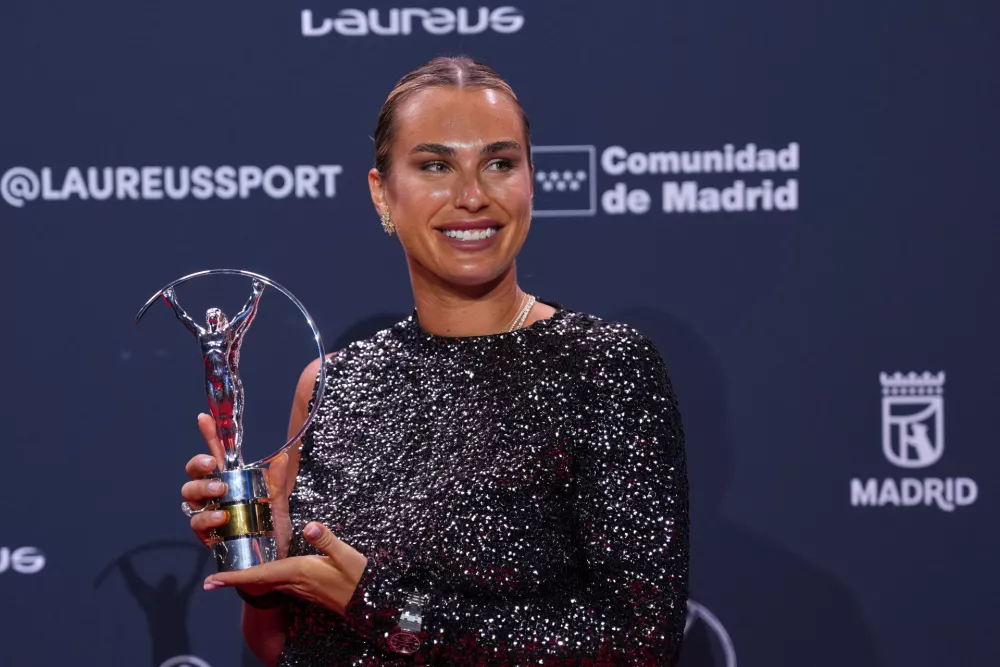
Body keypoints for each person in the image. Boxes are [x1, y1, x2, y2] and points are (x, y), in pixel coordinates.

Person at [180, 56, 689, 666]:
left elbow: (639, 647)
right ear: (382, 193)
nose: (472, 196)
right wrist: (267, 555)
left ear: (531, 181)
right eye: (435, 166)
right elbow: (281, 647)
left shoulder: (604, 368)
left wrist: (378, 605)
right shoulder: (332, 385)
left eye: (499, 163)